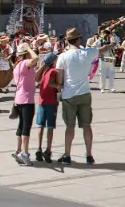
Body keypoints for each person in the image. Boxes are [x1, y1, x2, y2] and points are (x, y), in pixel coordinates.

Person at [56, 28, 98, 165]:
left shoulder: (63, 56)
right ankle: (89, 155)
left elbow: (60, 78)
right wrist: (111, 44)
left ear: (67, 41)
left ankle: (67, 155)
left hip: (69, 94)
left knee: (70, 127)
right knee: (87, 125)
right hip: (85, 93)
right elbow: (102, 50)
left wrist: (59, 91)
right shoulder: (87, 53)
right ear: (79, 39)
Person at [11, 45, 38, 164]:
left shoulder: (17, 66)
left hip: (19, 98)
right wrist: (28, 48)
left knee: (21, 125)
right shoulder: (25, 63)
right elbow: (36, 58)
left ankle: (18, 150)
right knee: (26, 126)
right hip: (27, 99)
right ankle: (25, 153)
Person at [34, 51, 61, 162]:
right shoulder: (54, 71)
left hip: (42, 101)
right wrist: (59, 86)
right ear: (53, 61)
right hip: (51, 102)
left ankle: (39, 148)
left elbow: (39, 81)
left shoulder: (44, 71)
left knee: (40, 125)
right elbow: (50, 83)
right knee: (50, 126)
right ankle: (48, 150)